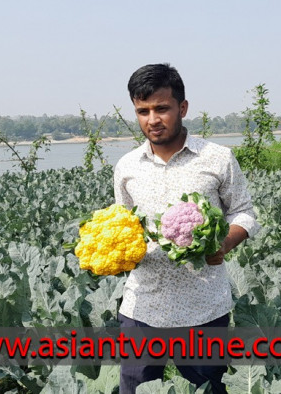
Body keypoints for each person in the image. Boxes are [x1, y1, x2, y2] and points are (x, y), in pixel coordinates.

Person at [114, 63, 260, 394]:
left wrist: (223, 244)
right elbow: (124, 226)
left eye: (161, 108)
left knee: (208, 389)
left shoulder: (217, 158)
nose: (152, 119)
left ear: (182, 108)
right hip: (142, 306)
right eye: (143, 111)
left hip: (203, 306)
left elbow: (245, 213)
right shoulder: (126, 167)